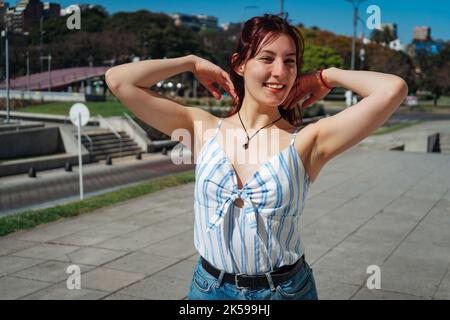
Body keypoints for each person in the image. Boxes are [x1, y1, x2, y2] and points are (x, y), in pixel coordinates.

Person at [105, 14, 408, 300]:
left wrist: (325, 77)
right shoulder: (203, 128)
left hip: (285, 290)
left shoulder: (306, 141)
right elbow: (119, 80)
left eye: (290, 62)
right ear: (240, 64)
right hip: (209, 288)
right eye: (266, 58)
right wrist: (191, 62)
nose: (280, 72)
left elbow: (393, 89)